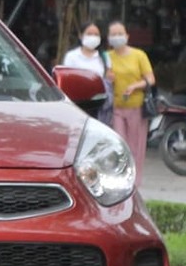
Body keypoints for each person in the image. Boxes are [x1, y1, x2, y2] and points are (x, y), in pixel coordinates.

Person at [108, 20, 156, 182]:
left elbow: (150, 78)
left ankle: (135, 182)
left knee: (136, 146)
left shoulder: (139, 55)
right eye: (113, 34)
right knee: (119, 144)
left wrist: (135, 85)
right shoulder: (107, 57)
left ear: (127, 36)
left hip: (136, 106)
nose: (117, 37)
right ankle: (121, 178)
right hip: (116, 106)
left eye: (119, 33)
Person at [61, 22, 112, 124]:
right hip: (77, 103)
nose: (93, 37)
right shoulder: (72, 56)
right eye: (89, 34)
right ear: (81, 36)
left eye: (96, 34)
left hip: (98, 105)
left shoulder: (104, 57)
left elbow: (109, 78)